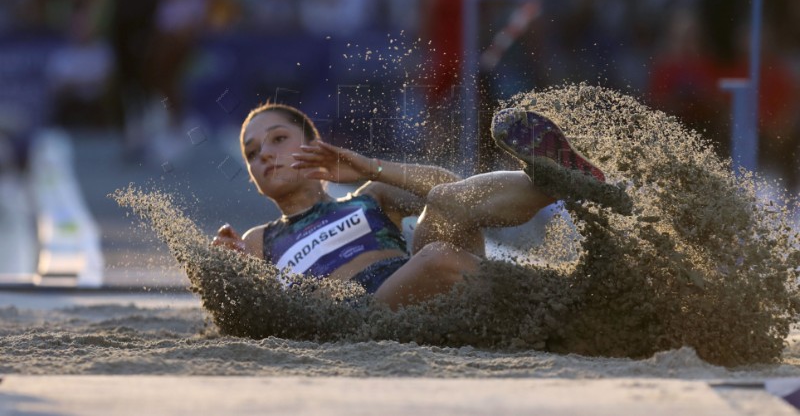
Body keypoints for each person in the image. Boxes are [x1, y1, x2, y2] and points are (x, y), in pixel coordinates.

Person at [213, 103, 629, 310]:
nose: (263, 155)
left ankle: (562, 182)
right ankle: (570, 301)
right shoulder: (261, 239)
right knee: (434, 257)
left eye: (278, 139)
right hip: (361, 313)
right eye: (251, 153)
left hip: (423, 280)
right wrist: (229, 273)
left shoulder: (369, 198)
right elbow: (254, 314)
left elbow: (450, 188)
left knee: (446, 203)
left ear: (313, 143)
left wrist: (367, 168)